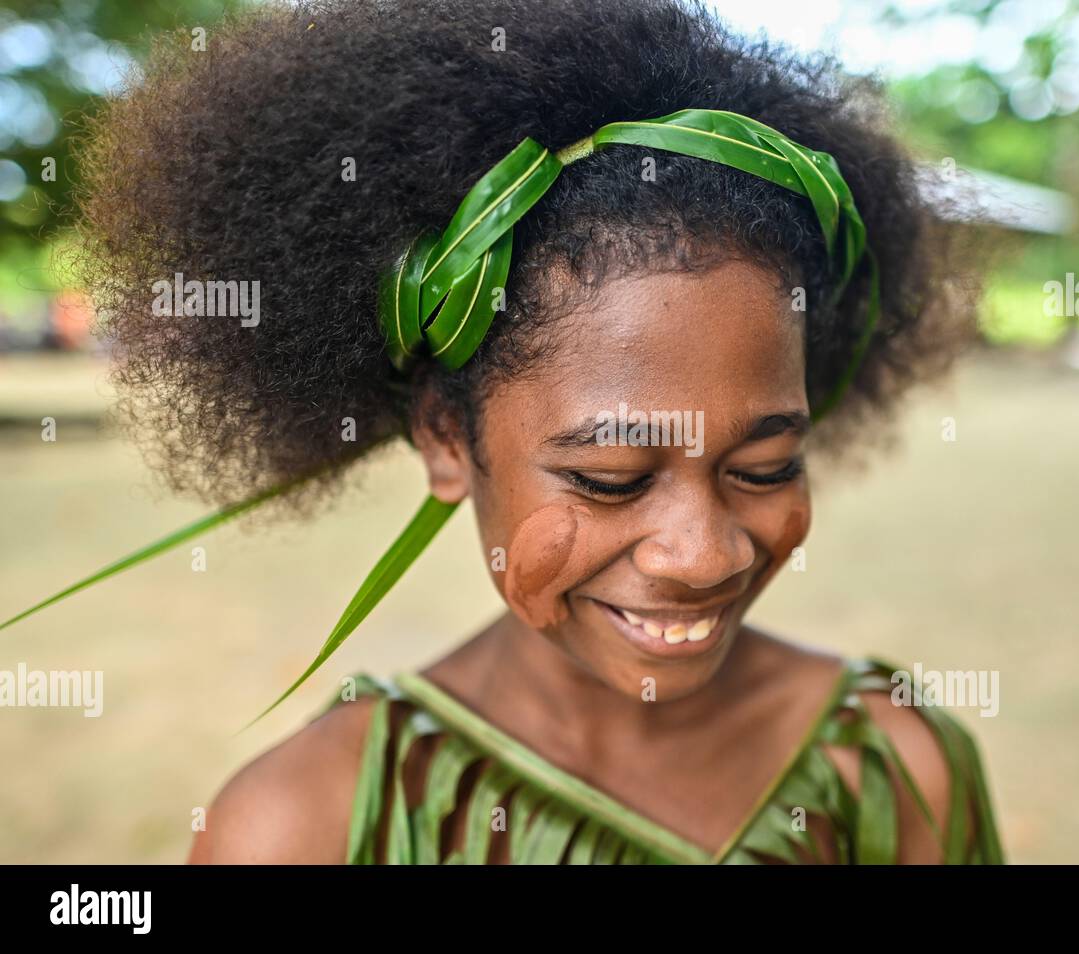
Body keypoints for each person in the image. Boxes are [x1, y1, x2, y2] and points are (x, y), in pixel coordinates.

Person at [65, 0, 999, 864]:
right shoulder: (301, 828)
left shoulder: (894, 765)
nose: (704, 554)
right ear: (444, 438)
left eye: (765, 464)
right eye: (610, 477)